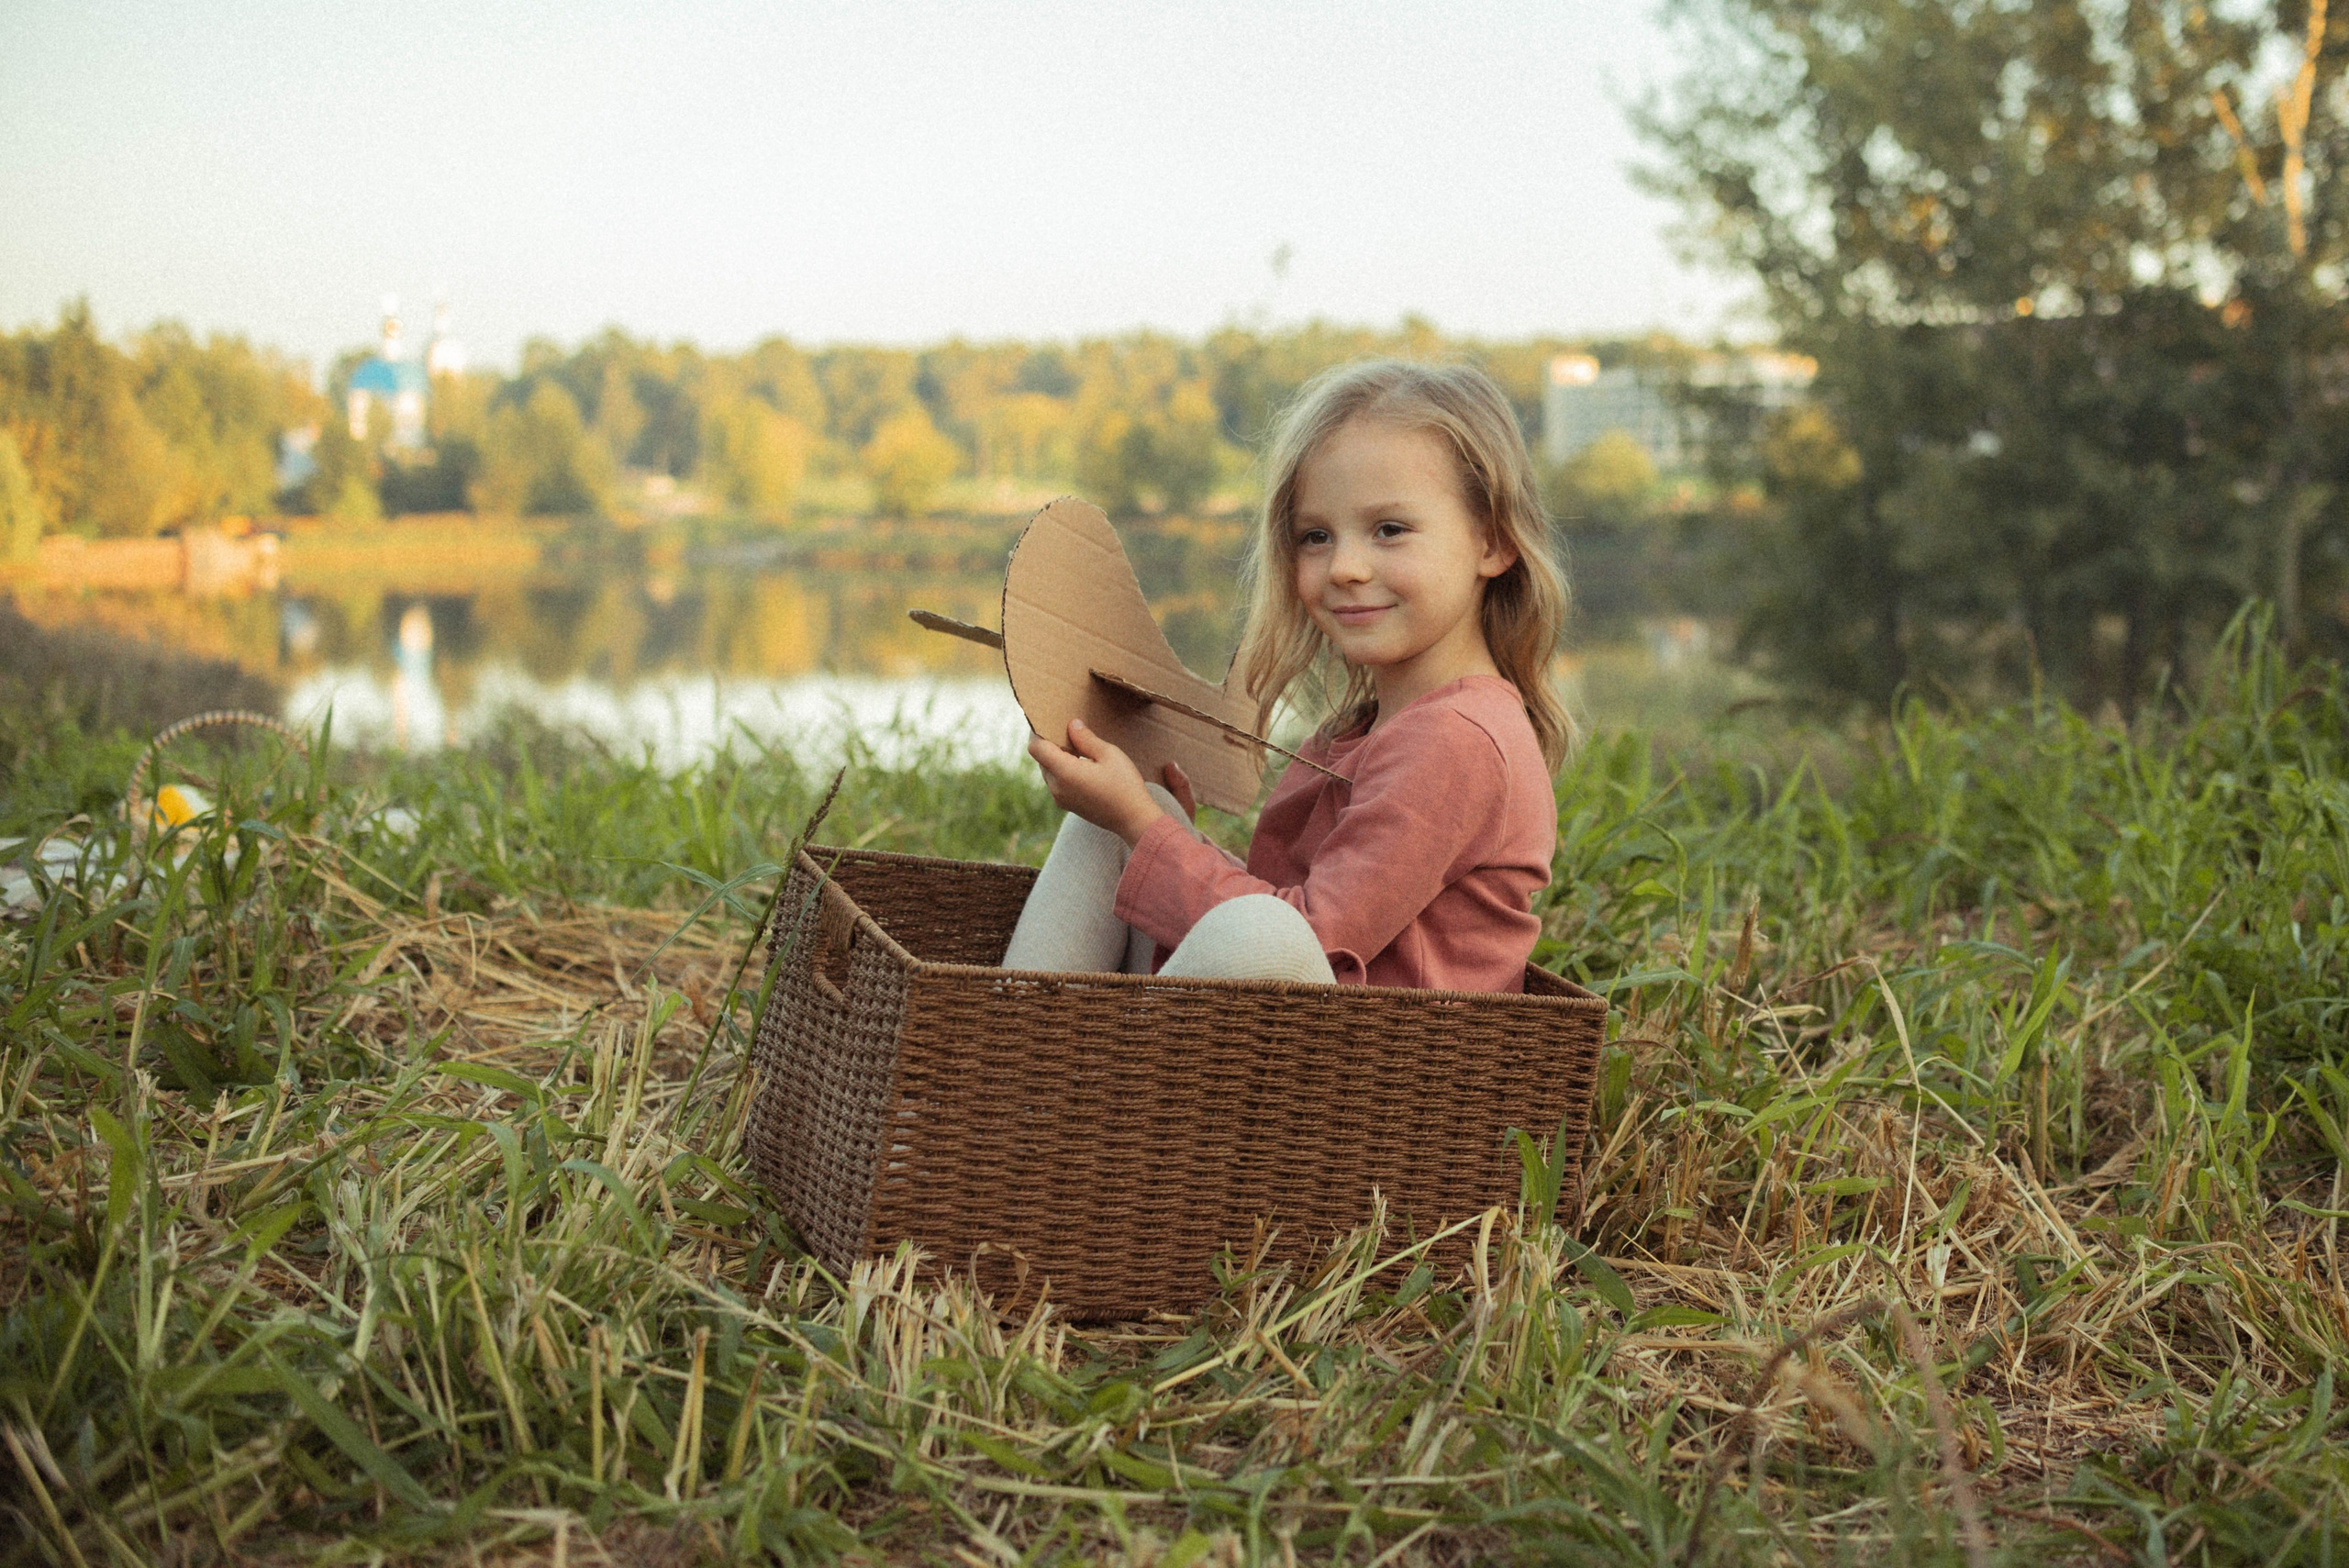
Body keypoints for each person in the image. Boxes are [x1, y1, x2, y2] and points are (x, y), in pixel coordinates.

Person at [1000, 360, 1572, 992]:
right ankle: (1009, 1042)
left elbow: (1303, 942)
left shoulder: (1458, 739)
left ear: (1492, 542)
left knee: (1242, 912)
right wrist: (1149, 823)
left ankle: (1082, 1058)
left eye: (1389, 530)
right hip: (1291, 1028)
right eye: (1315, 537)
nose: (1345, 567)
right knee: (1110, 827)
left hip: (1376, 1053)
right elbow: (1282, 907)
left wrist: (1145, 826)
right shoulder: (1374, 726)